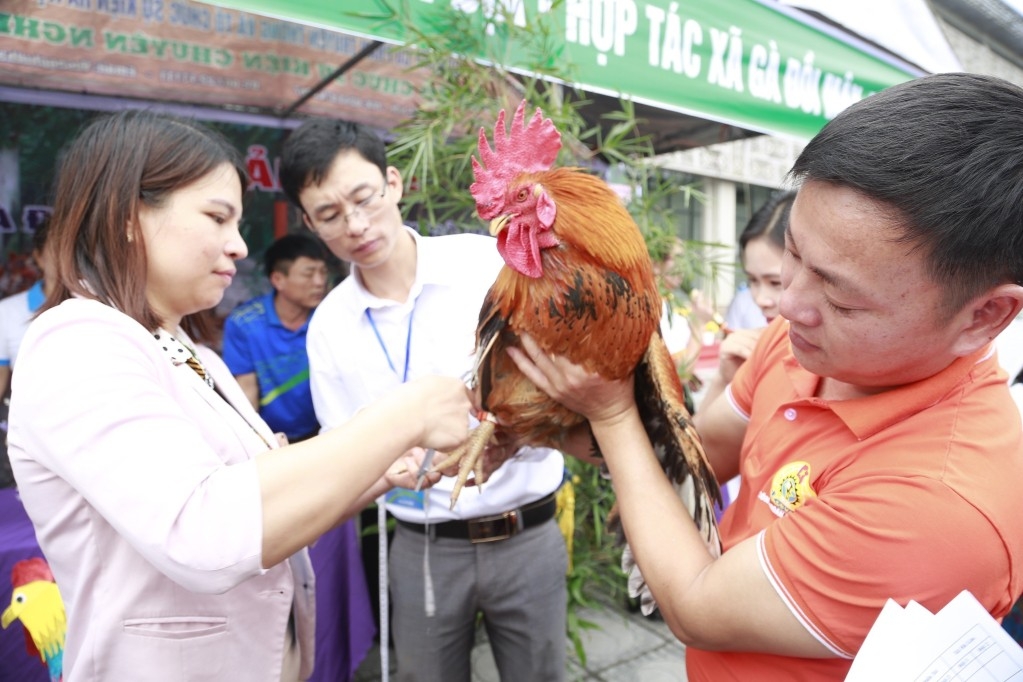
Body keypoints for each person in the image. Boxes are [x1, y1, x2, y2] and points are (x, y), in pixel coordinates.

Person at [506, 72, 1023, 681]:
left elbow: (697, 603)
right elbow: (699, 452)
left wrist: (613, 414)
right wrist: (535, 430)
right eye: (794, 257)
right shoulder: (807, 343)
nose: (789, 305)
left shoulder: (939, 507)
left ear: (985, 314)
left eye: (843, 299)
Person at [5, 109, 472, 682]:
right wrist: (406, 415)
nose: (239, 247)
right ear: (129, 216)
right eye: (217, 217)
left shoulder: (187, 350)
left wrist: (383, 470)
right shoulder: (77, 342)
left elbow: (269, 493)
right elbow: (201, 529)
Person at [279, 118, 567, 682]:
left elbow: (556, 385)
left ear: (393, 182)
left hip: (526, 533)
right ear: (310, 223)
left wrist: (510, 439)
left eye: (363, 198)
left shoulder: (486, 265)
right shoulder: (331, 326)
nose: (356, 225)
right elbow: (343, 453)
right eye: (331, 215)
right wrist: (386, 466)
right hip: (422, 544)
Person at [222, 233, 329, 443]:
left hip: (325, 435)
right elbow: (246, 389)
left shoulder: (331, 317)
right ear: (278, 279)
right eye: (308, 274)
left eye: (323, 273)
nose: (319, 282)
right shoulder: (244, 323)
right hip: (268, 438)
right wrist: (254, 444)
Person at [0, 217, 54, 488]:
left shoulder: (104, 309)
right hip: (28, 439)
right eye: (57, 250)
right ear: (39, 258)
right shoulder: (7, 312)